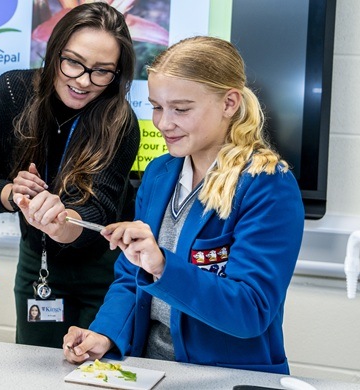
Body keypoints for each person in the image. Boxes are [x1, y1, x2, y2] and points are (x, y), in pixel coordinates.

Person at [62, 36, 305, 374]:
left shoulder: (267, 184)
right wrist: (105, 333)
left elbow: (250, 312)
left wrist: (162, 265)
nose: (163, 123)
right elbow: (130, 277)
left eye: (181, 109)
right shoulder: (160, 173)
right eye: (157, 106)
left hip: (225, 376)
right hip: (152, 371)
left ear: (229, 103)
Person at [0, 2, 139, 348]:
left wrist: (59, 222)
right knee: (34, 371)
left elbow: (100, 210)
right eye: (73, 62)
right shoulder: (11, 93)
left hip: (103, 271)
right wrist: (12, 195)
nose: (82, 81)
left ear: (117, 74)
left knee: (97, 372)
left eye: (101, 71)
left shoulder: (120, 122)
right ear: (54, 49)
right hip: (39, 266)